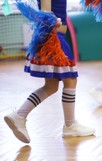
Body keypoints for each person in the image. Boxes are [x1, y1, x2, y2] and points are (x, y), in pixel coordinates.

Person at [4, 0, 95, 144]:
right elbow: (46, 13)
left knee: (51, 86)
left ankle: (20, 115)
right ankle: (70, 125)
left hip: (56, 37)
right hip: (54, 39)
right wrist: (54, 25)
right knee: (70, 79)